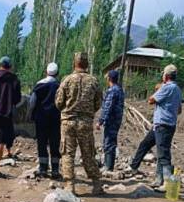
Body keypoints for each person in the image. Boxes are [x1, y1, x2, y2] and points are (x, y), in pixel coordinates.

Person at [55, 52, 103, 194]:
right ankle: (96, 184)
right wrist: (88, 112)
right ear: (87, 64)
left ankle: (70, 185)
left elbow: (58, 102)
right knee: (88, 152)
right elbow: (98, 103)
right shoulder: (94, 81)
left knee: (67, 153)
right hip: (85, 123)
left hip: (68, 122)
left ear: (74, 63)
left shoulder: (67, 80)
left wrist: (67, 109)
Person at [128, 64, 183, 187]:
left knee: (163, 154)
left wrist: (158, 89)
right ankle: (139, 170)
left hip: (163, 125)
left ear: (166, 76)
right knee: (145, 144)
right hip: (164, 124)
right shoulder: (178, 89)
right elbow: (179, 110)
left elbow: (150, 100)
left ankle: (167, 183)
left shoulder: (167, 87)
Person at [30, 62, 61, 179]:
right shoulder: (60, 86)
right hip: (56, 119)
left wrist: (31, 115)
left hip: (41, 118)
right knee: (55, 143)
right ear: (57, 73)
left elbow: (32, 102)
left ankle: (42, 169)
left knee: (42, 143)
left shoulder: (39, 85)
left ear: (46, 72)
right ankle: (55, 170)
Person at [97, 70, 124, 172]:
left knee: (108, 142)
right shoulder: (120, 90)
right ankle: (110, 165)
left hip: (111, 120)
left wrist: (100, 121)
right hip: (117, 120)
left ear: (109, 78)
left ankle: (108, 166)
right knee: (111, 141)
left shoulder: (112, 90)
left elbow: (107, 107)